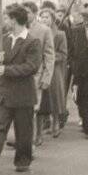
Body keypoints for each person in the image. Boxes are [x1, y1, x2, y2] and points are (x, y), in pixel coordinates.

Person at [0, 4, 42, 175]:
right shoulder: (4, 39)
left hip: (23, 94)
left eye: (6, 18)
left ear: (15, 20)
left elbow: (32, 67)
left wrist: (8, 69)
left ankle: (23, 160)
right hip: (4, 92)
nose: (4, 21)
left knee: (23, 130)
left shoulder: (32, 41)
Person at [22, 1, 55, 146]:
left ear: (35, 14)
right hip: (20, 75)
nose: (25, 15)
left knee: (34, 108)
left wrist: (47, 77)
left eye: (28, 12)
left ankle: (35, 137)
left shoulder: (44, 30)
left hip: (37, 75)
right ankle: (24, 138)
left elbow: (49, 55)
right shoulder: (18, 28)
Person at [38, 8, 67, 138]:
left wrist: (50, 58)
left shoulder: (60, 34)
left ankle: (55, 123)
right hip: (40, 69)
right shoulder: (37, 33)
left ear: (53, 19)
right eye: (42, 17)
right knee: (42, 98)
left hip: (54, 70)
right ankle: (43, 125)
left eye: (47, 17)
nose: (44, 20)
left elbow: (63, 54)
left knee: (54, 97)